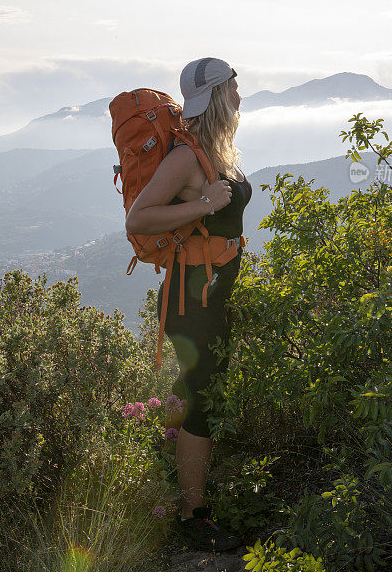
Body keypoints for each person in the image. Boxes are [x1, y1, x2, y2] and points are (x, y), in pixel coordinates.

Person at [125, 58, 252, 552]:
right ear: (217, 96)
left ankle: (178, 491)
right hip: (190, 300)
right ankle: (192, 516)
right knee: (202, 401)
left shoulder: (213, 151)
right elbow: (139, 219)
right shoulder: (184, 156)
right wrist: (206, 204)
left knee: (194, 396)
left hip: (209, 296)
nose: (240, 98)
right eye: (234, 90)